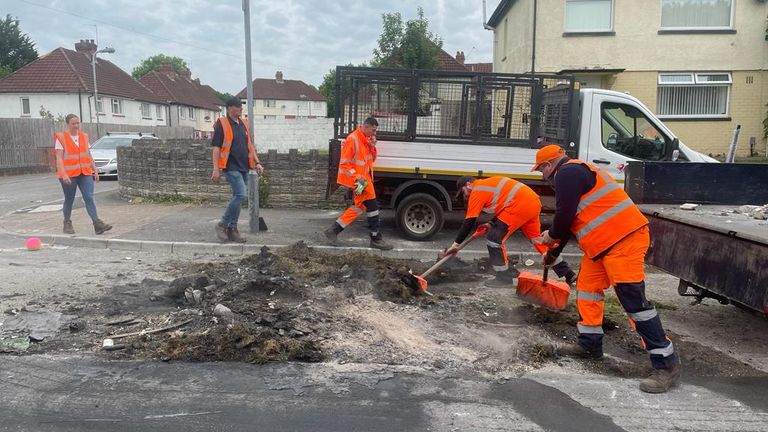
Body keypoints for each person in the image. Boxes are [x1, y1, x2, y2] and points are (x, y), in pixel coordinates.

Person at [532, 144, 680, 393]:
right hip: (601, 246)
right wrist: (554, 254)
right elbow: (572, 223)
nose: (543, 177)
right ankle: (589, 344)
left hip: (623, 241)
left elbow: (564, 217)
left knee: (635, 303)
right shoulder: (575, 174)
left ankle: (666, 365)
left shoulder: (567, 173)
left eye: (541, 171)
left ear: (548, 165)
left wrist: (551, 236)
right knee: (588, 290)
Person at [448, 176, 577, 288]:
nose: (465, 196)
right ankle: (568, 274)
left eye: (463, 192)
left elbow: (469, 222)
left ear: (468, 184)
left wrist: (456, 245)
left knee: (494, 240)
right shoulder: (487, 185)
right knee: (539, 241)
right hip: (531, 202)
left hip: (519, 205)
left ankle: (503, 278)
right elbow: (503, 207)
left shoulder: (477, 190)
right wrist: (491, 223)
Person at [324, 117, 392, 250]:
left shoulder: (365, 140)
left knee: (359, 207)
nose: (374, 134)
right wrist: (357, 177)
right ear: (366, 126)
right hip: (361, 182)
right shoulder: (353, 139)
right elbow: (344, 163)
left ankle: (333, 230)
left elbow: (371, 160)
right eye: (373, 130)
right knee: (373, 207)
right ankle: (376, 239)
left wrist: (372, 147)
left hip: (365, 181)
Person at [211, 97, 263, 243]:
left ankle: (232, 229)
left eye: (241, 106)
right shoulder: (222, 124)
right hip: (230, 166)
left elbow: (250, 146)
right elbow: (216, 148)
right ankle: (222, 224)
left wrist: (257, 162)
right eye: (238, 106)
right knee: (240, 194)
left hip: (244, 167)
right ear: (229, 108)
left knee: (238, 198)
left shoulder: (243, 124)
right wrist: (215, 169)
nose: (241, 108)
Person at [54, 114, 112, 235]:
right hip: (69, 175)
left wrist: (95, 170)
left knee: (89, 197)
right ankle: (67, 223)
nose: (76, 126)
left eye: (77, 123)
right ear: (68, 124)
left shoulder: (84, 136)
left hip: (85, 172)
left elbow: (88, 154)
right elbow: (59, 158)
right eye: (73, 124)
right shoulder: (61, 138)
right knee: (69, 200)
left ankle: (97, 224)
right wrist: (64, 174)